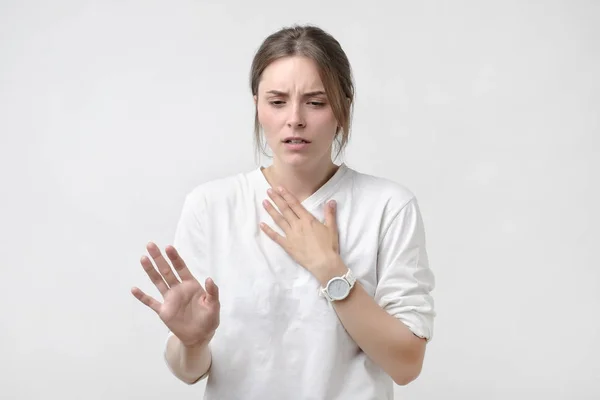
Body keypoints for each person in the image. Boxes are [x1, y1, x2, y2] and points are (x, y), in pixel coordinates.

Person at [131, 24, 435, 400]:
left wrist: (330, 269)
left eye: (316, 102)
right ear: (257, 106)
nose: (295, 119)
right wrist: (193, 341)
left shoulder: (389, 206)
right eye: (277, 102)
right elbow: (188, 372)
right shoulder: (211, 206)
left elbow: (406, 365)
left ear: (343, 109)